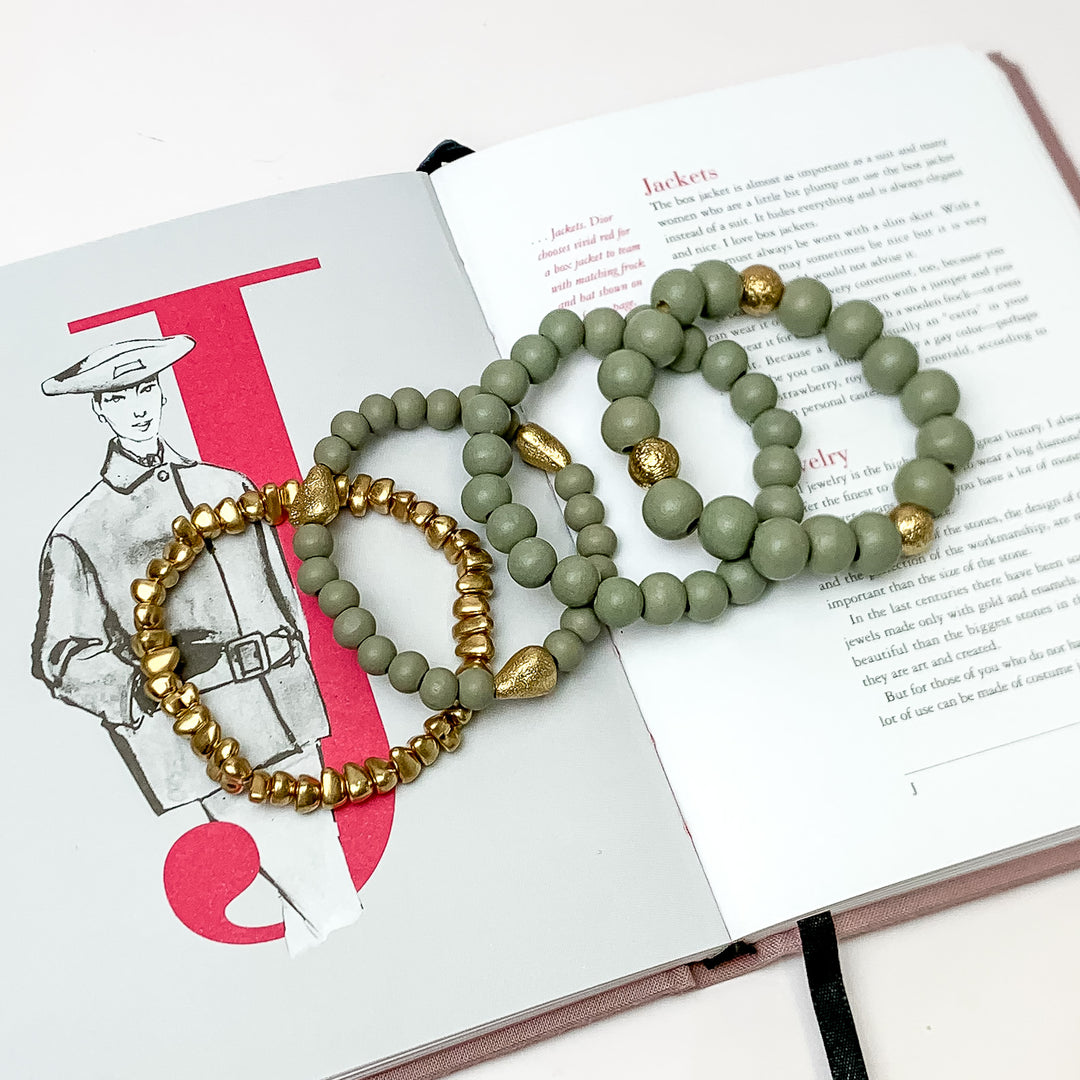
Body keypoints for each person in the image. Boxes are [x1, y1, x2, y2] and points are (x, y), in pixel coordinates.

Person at [31, 335, 361, 950]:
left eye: (147, 388)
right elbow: (63, 657)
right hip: (199, 734)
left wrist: (298, 676)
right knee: (316, 881)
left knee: (312, 875)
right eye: (118, 395)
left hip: (285, 710)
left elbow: (280, 595)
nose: (137, 405)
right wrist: (150, 681)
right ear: (99, 410)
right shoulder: (78, 532)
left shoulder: (224, 483)